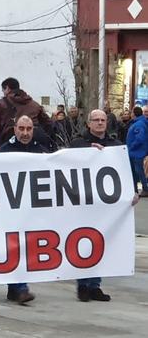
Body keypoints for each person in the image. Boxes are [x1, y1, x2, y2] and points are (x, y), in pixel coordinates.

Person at [69, 109, 125, 302]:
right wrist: (87, 152)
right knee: (84, 243)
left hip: (105, 205)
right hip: (83, 203)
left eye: (103, 120)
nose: (100, 123)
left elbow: (123, 173)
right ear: (89, 123)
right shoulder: (78, 144)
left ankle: (95, 285)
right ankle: (83, 285)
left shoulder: (116, 146)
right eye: (96, 120)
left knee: (101, 243)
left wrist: (130, 192)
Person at [0, 116, 47, 304]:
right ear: (14, 128)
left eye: (29, 129)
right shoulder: (3, 151)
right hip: (11, 211)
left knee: (26, 248)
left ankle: (16, 288)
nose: (25, 133)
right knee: (15, 247)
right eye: (21, 128)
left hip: (33, 211)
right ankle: (19, 288)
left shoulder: (41, 151)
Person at [0, 78, 52, 151]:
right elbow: (48, 123)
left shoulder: (2, 104)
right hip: (35, 141)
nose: (3, 92)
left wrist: (4, 132)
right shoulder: (34, 104)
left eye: (3, 90)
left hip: (8, 141)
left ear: (7, 88)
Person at [126, 106, 148, 196]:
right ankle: (134, 189)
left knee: (138, 171)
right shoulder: (139, 123)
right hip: (135, 152)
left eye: (131, 112)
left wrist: (131, 146)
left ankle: (145, 189)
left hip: (137, 152)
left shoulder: (139, 124)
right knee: (135, 171)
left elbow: (140, 138)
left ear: (134, 114)